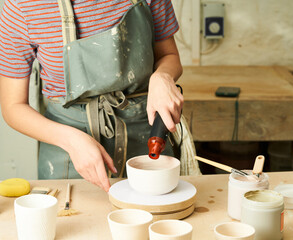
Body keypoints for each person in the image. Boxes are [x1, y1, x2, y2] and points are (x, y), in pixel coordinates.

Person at [0, 0, 184, 192]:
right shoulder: (22, 7)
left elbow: (169, 55)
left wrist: (163, 76)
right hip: (68, 154)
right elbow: (13, 107)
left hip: (147, 140)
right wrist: (71, 140)